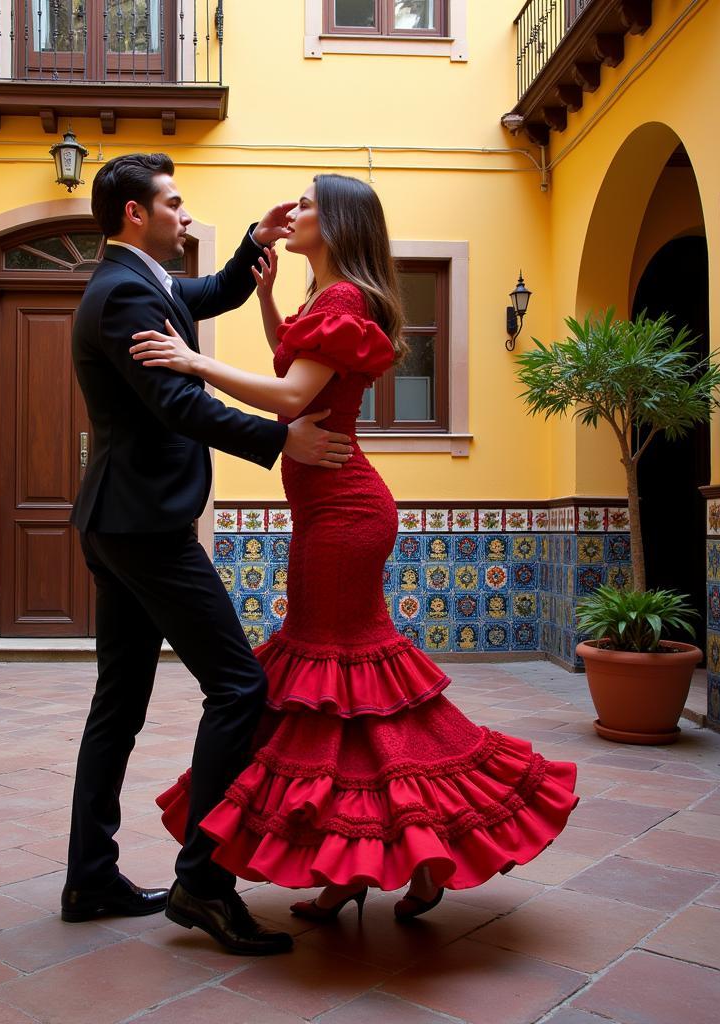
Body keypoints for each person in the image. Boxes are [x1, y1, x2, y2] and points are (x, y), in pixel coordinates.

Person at [131, 173, 579, 921]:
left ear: (336, 223)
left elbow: (285, 399)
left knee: (346, 688)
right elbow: (294, 367)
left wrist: (192, 361)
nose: (295, 212)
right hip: (330, 514)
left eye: (306, 204)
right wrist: (271, 297)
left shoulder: (343, 302)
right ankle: (353, 866)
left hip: (344, 513)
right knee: (336, 701)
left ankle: (414, 849)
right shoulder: (324, 301)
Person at [63, 153, 355, 957]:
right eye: (175, 203)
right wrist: (278, 437)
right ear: (135, 214)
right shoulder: (125, 293)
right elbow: (179, 401)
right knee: (239, 686)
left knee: (118, 700)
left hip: (118, 519)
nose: (184, 215)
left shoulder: (144, 281)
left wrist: (252, 252)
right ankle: (204, 881)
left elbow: (206, 295)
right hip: (145, 527)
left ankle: (90, 874)